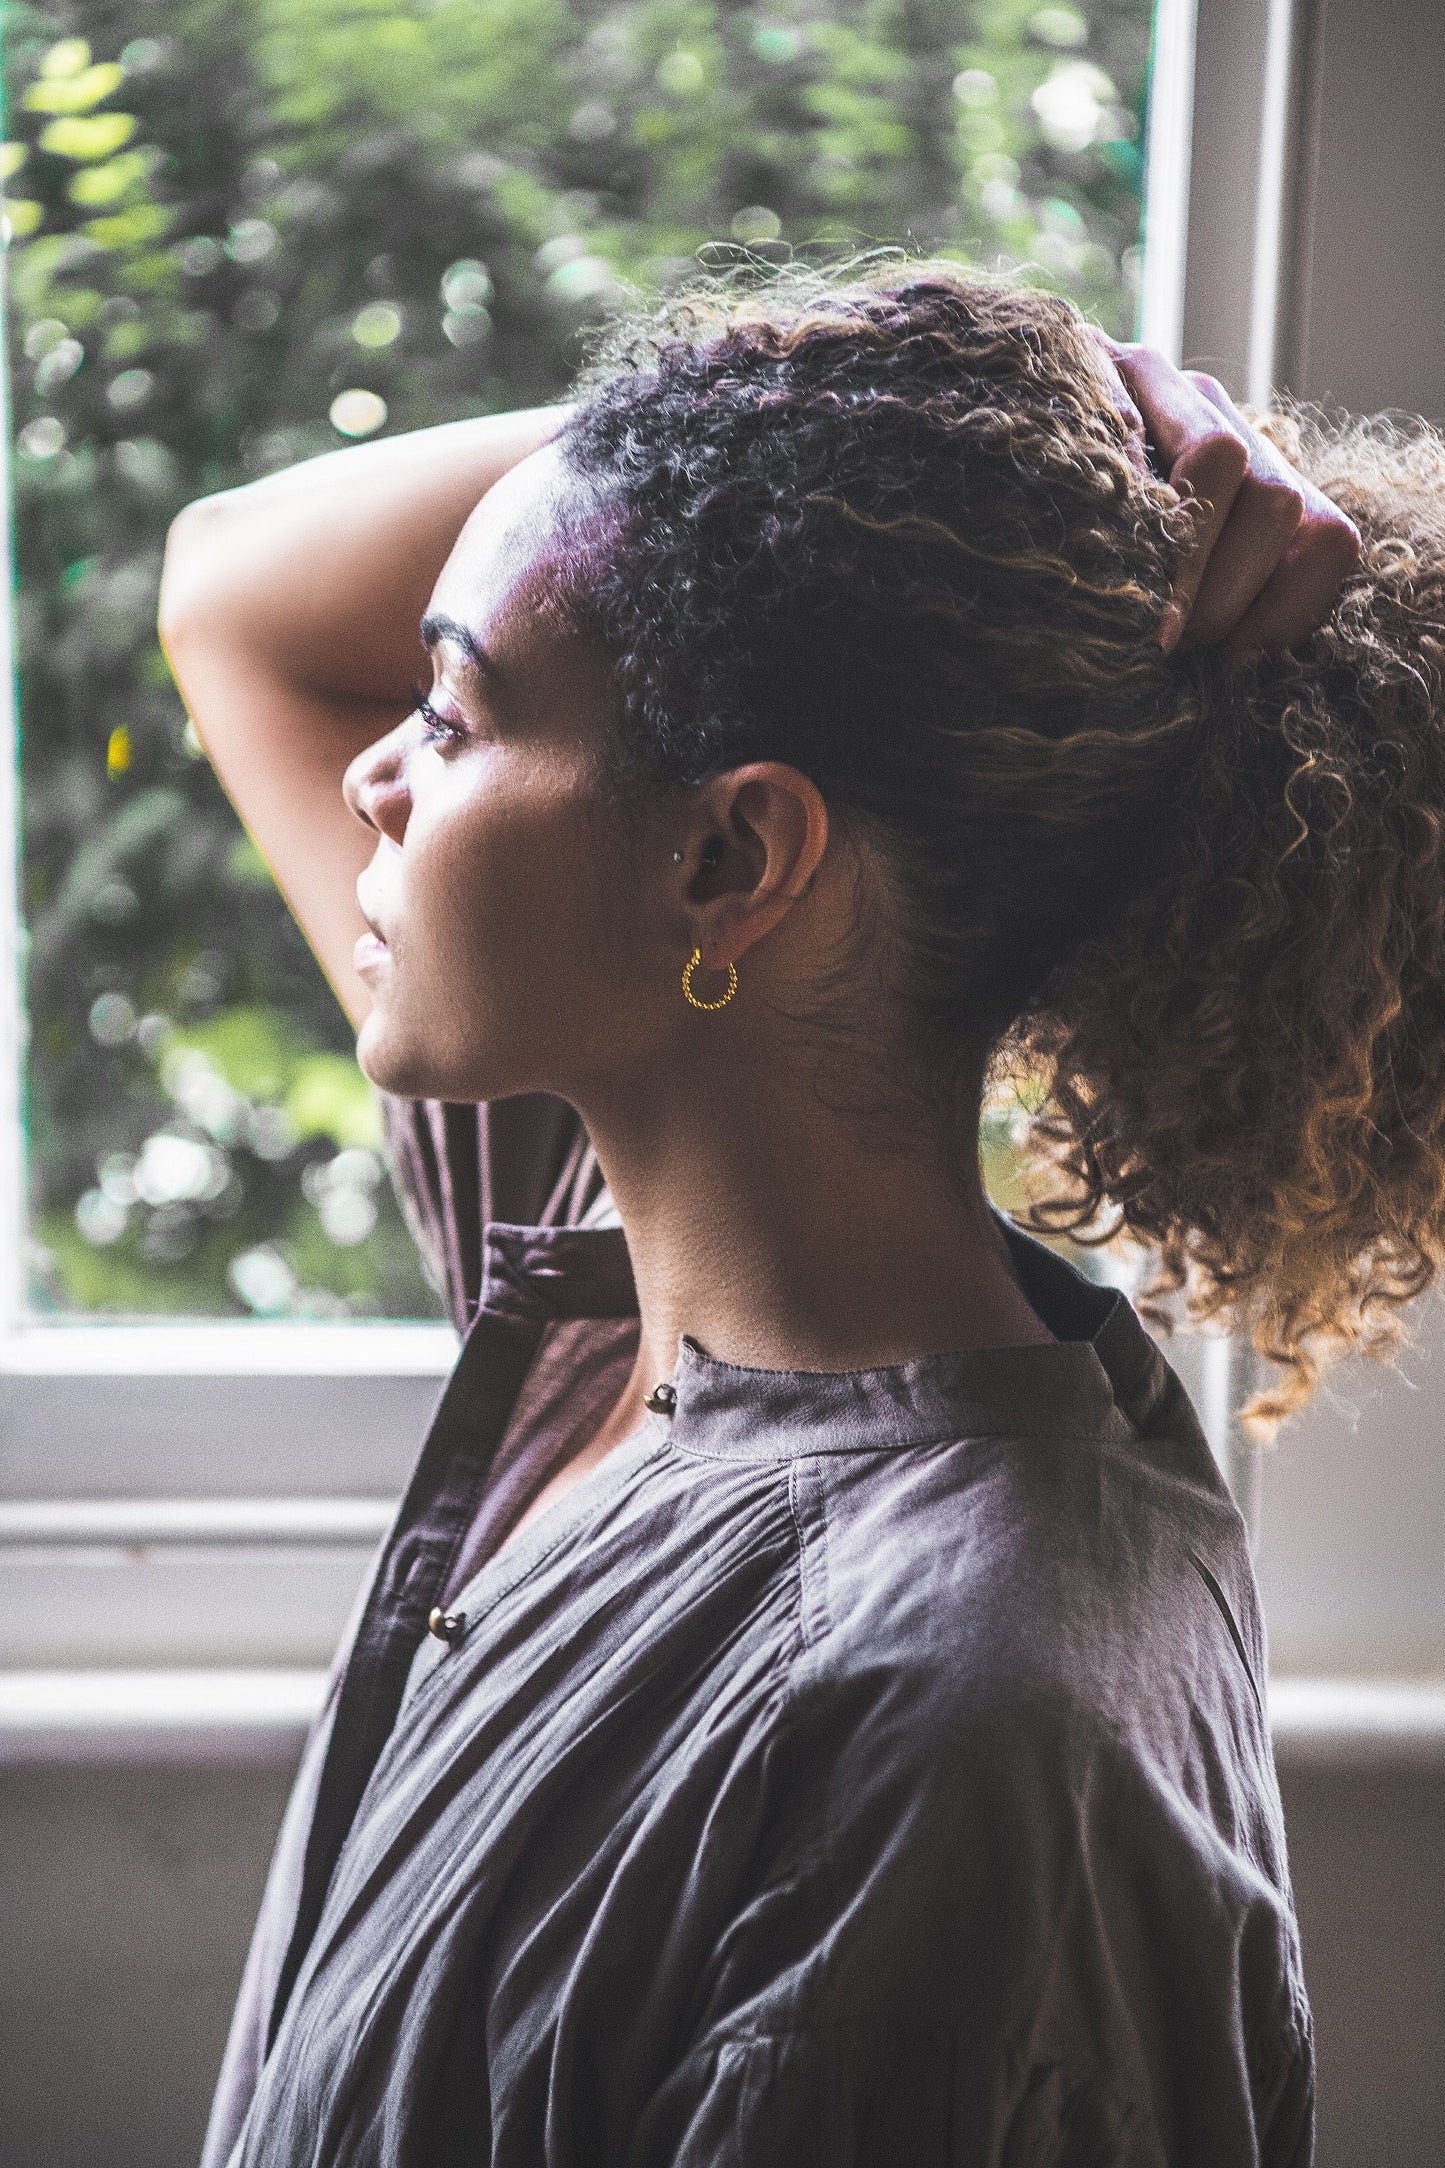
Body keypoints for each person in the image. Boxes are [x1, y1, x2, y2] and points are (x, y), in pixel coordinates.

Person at [158, 258, 1439, 2167]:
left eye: (454, 709)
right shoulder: (622, 1234)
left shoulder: (943, 1738)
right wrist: (1012, 427)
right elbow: (233, 589)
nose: (372, 776)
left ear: (730, 857)